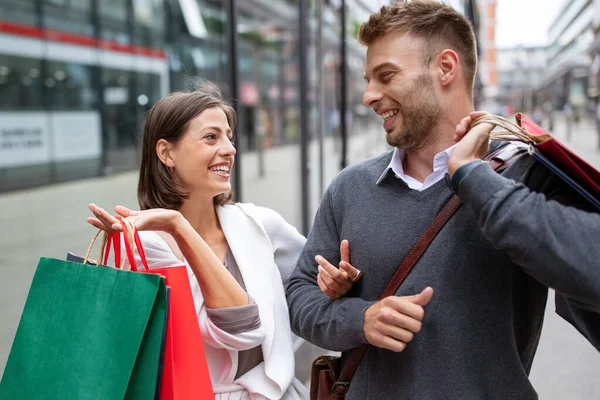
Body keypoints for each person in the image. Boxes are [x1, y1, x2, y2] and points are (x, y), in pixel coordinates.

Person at [285, 2, 600, 399]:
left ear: (446, 67)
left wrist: (471, 176)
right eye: (368, 79)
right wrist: (358, 318)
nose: (368, 95)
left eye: (385, 75)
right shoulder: (350, 187)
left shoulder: (529, 175)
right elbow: (298, 294)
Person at [87, 82, 357, 399]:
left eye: (229, 136)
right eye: (211, 137)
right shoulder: (146, 247)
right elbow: (239, 331)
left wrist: (336, 286)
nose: (229, 149)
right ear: (167, 152)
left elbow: (308, 289)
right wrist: (178, 226)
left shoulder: (258, 224)